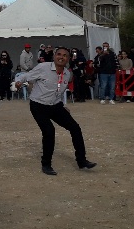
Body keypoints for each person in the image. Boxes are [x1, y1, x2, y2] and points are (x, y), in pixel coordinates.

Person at [15, 46, 97, 175]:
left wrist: (62, 106)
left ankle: (82, 161)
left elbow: (59, 91)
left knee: (75, 128)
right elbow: (27, 76)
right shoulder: (43, 67)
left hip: (55, 105)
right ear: (54, 56)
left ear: (68, 59)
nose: (61, 57)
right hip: (38, 105)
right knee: (49, 131)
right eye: (59, 54)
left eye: (65, 55)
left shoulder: (67, 74)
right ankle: (46, 165)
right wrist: (18, 82)